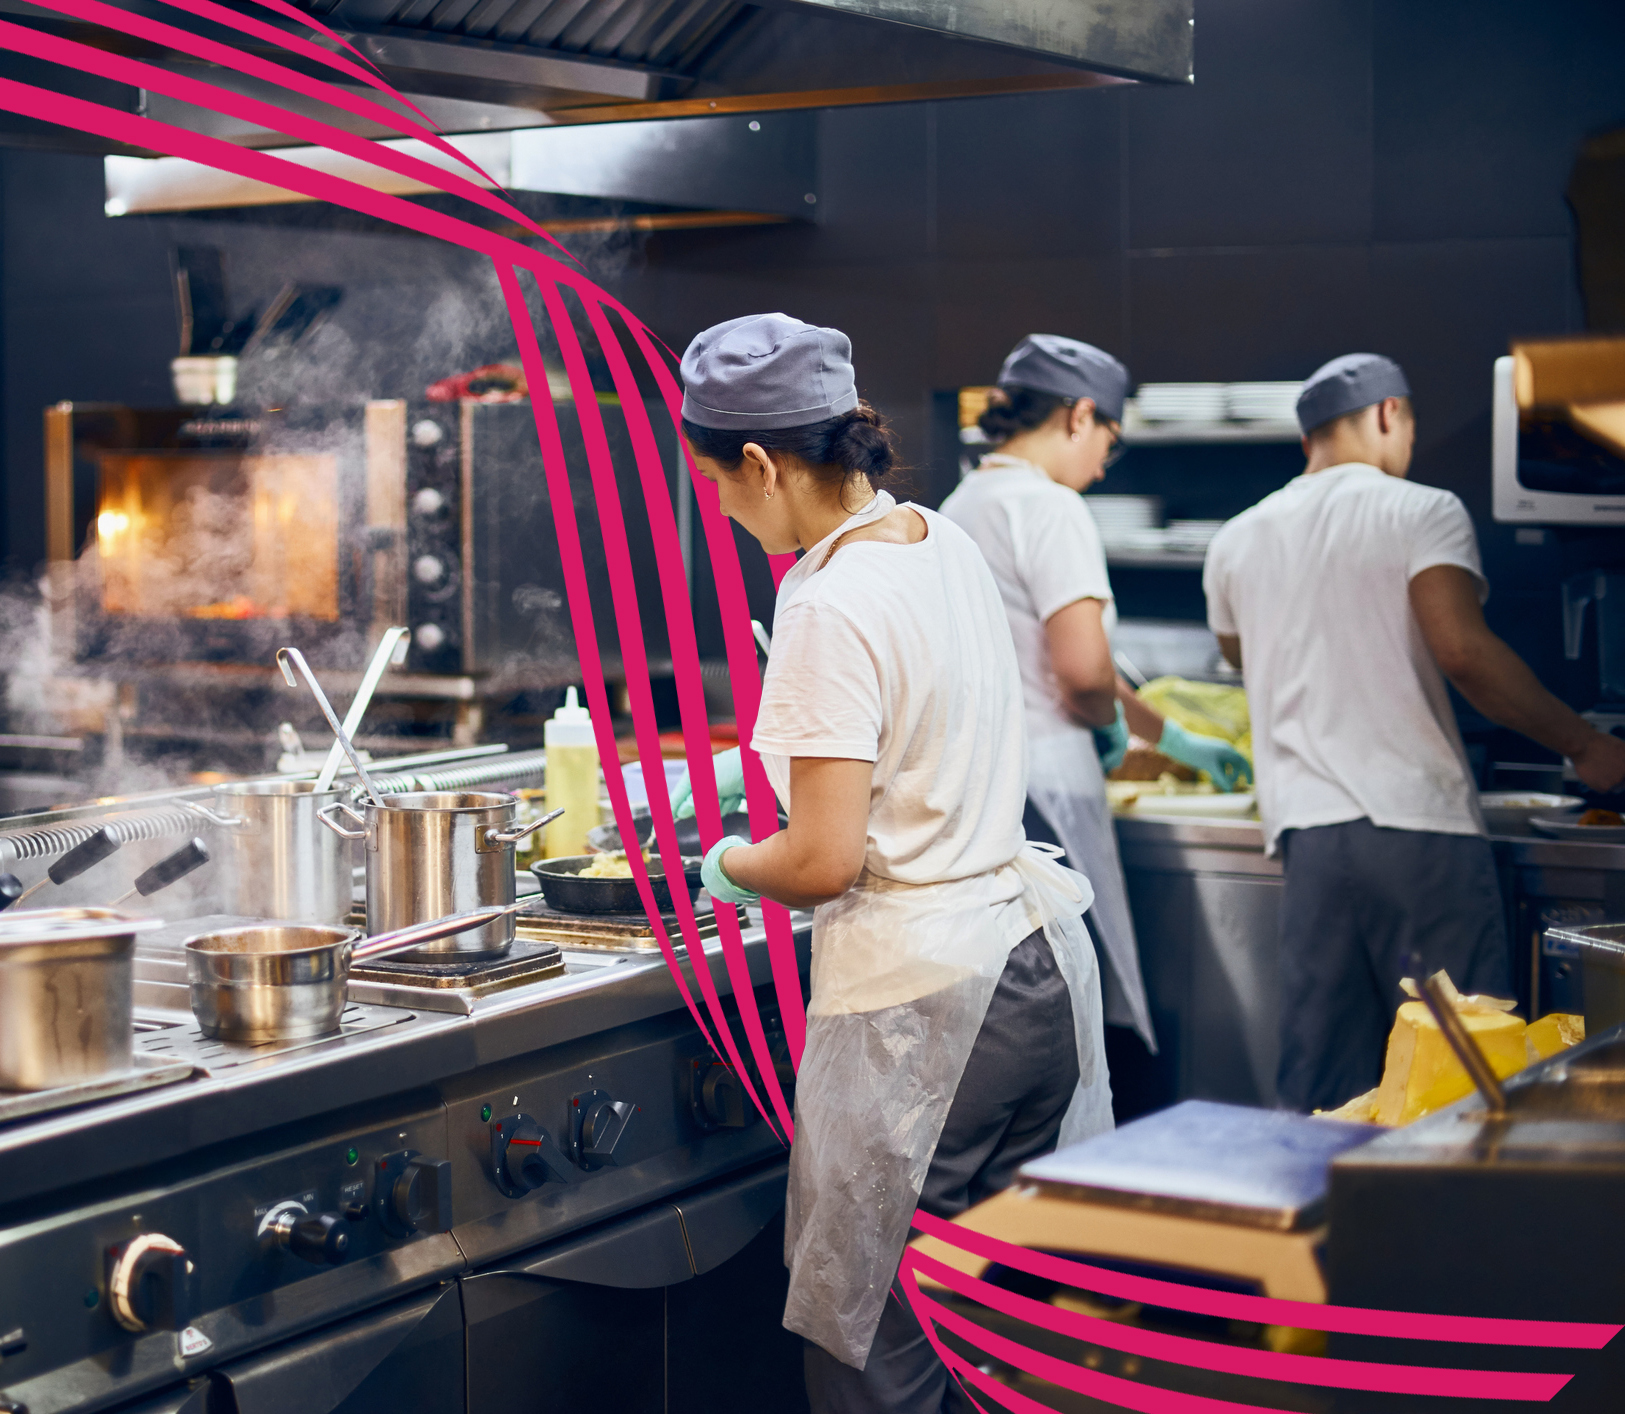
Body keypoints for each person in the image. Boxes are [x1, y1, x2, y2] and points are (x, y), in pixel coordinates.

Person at [670, 313, 1113, 1413]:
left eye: (717, 482)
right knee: (991, 1332)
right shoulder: (934, 536)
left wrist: (725, 860)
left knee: (874, 1350)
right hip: (1031, 972)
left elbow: (820, 860)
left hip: (928, 1014)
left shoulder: (824, 601)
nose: (719, 508)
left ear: (763, 464)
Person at [1203, 352, 1625, 1114]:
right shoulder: (1419, 509)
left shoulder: (1236, 538)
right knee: (1461, 1067)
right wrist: (1586, 746)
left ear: (1309, 437)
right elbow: (1462, 652)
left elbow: (1242, 656)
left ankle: (1310, 1226)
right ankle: (1450, 1229)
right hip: (1417, 829)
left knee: (1324, 1087)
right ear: (1387, 414)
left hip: (1308, 835)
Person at [939, 334, 1252, 1049]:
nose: (1106, 460)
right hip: (1047, 789)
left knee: (1014, 1005)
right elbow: (1081, 675)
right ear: (1079, 415)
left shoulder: (961, 505)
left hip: (982, 785)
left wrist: (1163, 733)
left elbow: (1053, 657)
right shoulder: (1050, 508)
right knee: (1074, 1007)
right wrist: (1105, 723)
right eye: (1109, 436)